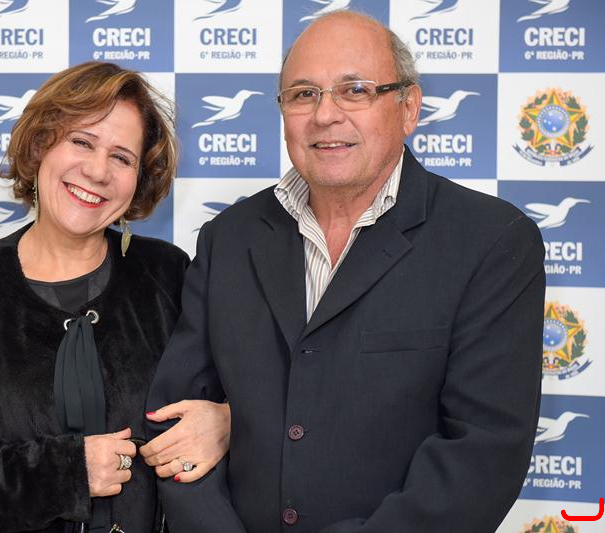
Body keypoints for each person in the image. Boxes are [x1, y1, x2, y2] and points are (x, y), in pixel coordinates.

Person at [146, 10, 545, 533]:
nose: (325, 115)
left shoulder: (490, 241)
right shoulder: (229, 238)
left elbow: (481, 457)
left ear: (408, 108)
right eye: (303, 94)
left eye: (355, 90)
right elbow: (176, 424)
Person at [0, 62, 230, 533]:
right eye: (82, 142)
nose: (97, 171)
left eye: (122, 157)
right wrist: (65, 474)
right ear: (40, 145)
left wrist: (227, 422)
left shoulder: (168, 274)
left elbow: (250, 395)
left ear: (139, 179)